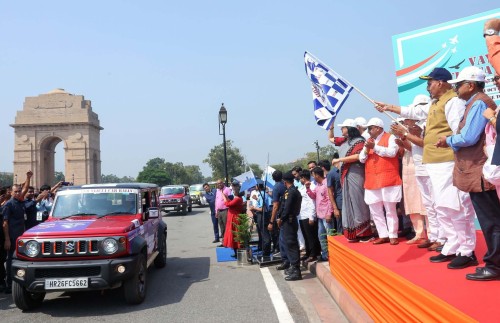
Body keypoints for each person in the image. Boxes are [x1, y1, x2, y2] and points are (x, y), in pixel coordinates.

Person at [375, 67, 475, 264]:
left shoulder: (453, 102)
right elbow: (413, 111)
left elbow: (457, 132)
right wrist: (388, 107)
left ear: (440, 82)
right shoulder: (435, 103)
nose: (428, 87)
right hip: (435, 162)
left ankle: (467, 250)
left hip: (447, 161)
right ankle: (452, 245)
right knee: (442, 206)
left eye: (429, 83)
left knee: (454, 206)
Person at [433, 66, 499, 274]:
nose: (457, 89)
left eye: (459, 85)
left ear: (470, 85)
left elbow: (469, 137)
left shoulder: (479, 103)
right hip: (477, 170)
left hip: (479, 171)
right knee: (491, 219)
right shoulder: (475, 102)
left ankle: (494, 265)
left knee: (490, 221)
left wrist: (448, 140)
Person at [359, 117, 402, 245]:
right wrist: (367, 149)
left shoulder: (390, 137)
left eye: (370, 128)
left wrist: (375, 147)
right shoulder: (369, 141)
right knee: (375, 209)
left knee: (390, 208)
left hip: (388, 178)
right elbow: (361, 159)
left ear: (378, 128)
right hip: (372, 180)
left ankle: (393, 234)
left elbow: (392, 153)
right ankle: (383, 234)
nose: (368, 130)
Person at [331, 118, 372, 242]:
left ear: (349, 129)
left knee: (358, 201)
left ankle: (364, 232)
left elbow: (358, 156)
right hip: (346, 174)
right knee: (349, 202)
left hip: (355, 173)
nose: (341, 129)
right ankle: (353, 232)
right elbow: (331, 139)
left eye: (343, 127)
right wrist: (330, 127)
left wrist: (339, 160)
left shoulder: (359, 141)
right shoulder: (345, 141)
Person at [391, 116, 428, 245]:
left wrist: (405, 137)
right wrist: (401, 141)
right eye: (402, 121)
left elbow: (418, 146)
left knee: (425, 201)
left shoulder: (420, 129)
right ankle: (419, 233)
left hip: (420, 164)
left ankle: (432, 233)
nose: (404, 123)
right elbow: (402, 152)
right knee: (412, 200)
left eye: (405, 121)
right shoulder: (403, 134)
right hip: (408, 167)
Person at [3, 172, 31, 294]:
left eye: (19, 191)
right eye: (16, 191)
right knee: (11, 260)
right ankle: (9, 284)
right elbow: (5, 223)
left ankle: (20, 282)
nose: (19, 193)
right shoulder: (9, 205)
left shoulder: (20, 202)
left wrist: (28, 178)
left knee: (21, 260)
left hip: (21, 236)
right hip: (13, 237)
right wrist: (7, 239)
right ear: (11, 193)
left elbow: (25, 190)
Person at [278, 171, 302, 281]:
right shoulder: (291, 191)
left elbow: (286, 208)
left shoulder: (292, 192)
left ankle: (296, 270)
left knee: (291, 244)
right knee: (290, 244)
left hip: (289, 221)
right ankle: (293, 266)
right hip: (290, 220)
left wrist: (281, 218)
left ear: (284, 181)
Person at [306, 167, 333, 261]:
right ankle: (325, 255)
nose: (312, 177)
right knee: (321, 236)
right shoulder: (317, 185)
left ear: (317, 175)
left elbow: (329, 200)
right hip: (320, 215)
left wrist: (329, 213)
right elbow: (313, 196)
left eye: (313, 175)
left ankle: (333, 255)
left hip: (326, 214)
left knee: (330, 236)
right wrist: (308, 188)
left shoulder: (326, 184)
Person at [298, 170, 321, 263]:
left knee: (311, 236)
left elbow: (312, 203)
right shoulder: (302, 187)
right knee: (306, 236)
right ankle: (308, 253)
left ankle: (313, 254)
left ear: (304, 178)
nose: (300, 179)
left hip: (308, 215)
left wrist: (311, 217)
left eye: (301, 178)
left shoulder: (312, 187)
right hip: (302, 215)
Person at [222, 181, 244, 257]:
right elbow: (230, 203)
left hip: (234, 217)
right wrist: (227, 198)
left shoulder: (238, 199)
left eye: (234, 191)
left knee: (234, 234)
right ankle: (236, 252)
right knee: (233, 234)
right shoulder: (237, 198)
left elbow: (228, 204)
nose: (233, 192)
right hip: (232, 216)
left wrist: (224, 197)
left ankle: (237, 252)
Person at [250, 183, 273, 257]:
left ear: (259, 187)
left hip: (262, 215)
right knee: (262, 233)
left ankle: (266, 252)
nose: (255, 187)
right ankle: (264, 250)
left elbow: (262, 209)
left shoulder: (263, 195)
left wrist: (254, 208)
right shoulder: (261, 195)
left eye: (256, 186)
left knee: (264, 234)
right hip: (262, 215)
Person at [268, 170, 286, 264]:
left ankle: (283, 255)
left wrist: (271, 221)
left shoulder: (276, 187)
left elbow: (275, 205)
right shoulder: (285, 184)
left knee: (280, 235)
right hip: (288, 212)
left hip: (280, 214)